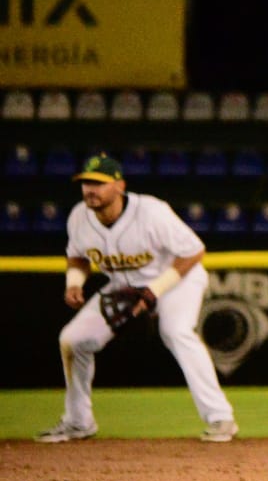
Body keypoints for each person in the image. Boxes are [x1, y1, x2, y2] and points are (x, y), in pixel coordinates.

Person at [35, 152, 239, 444]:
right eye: (86, 183)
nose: (90, 189)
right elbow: (77, 256)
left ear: (119, 186)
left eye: (99, 183)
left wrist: (154, 290)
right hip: (124, 286)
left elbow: (194, 251)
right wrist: (74, 283)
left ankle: (220, 418)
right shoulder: (80, 216)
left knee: (176, 331)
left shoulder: (151, 212)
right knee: (72, 340)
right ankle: (78, 422)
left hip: (176, 280)